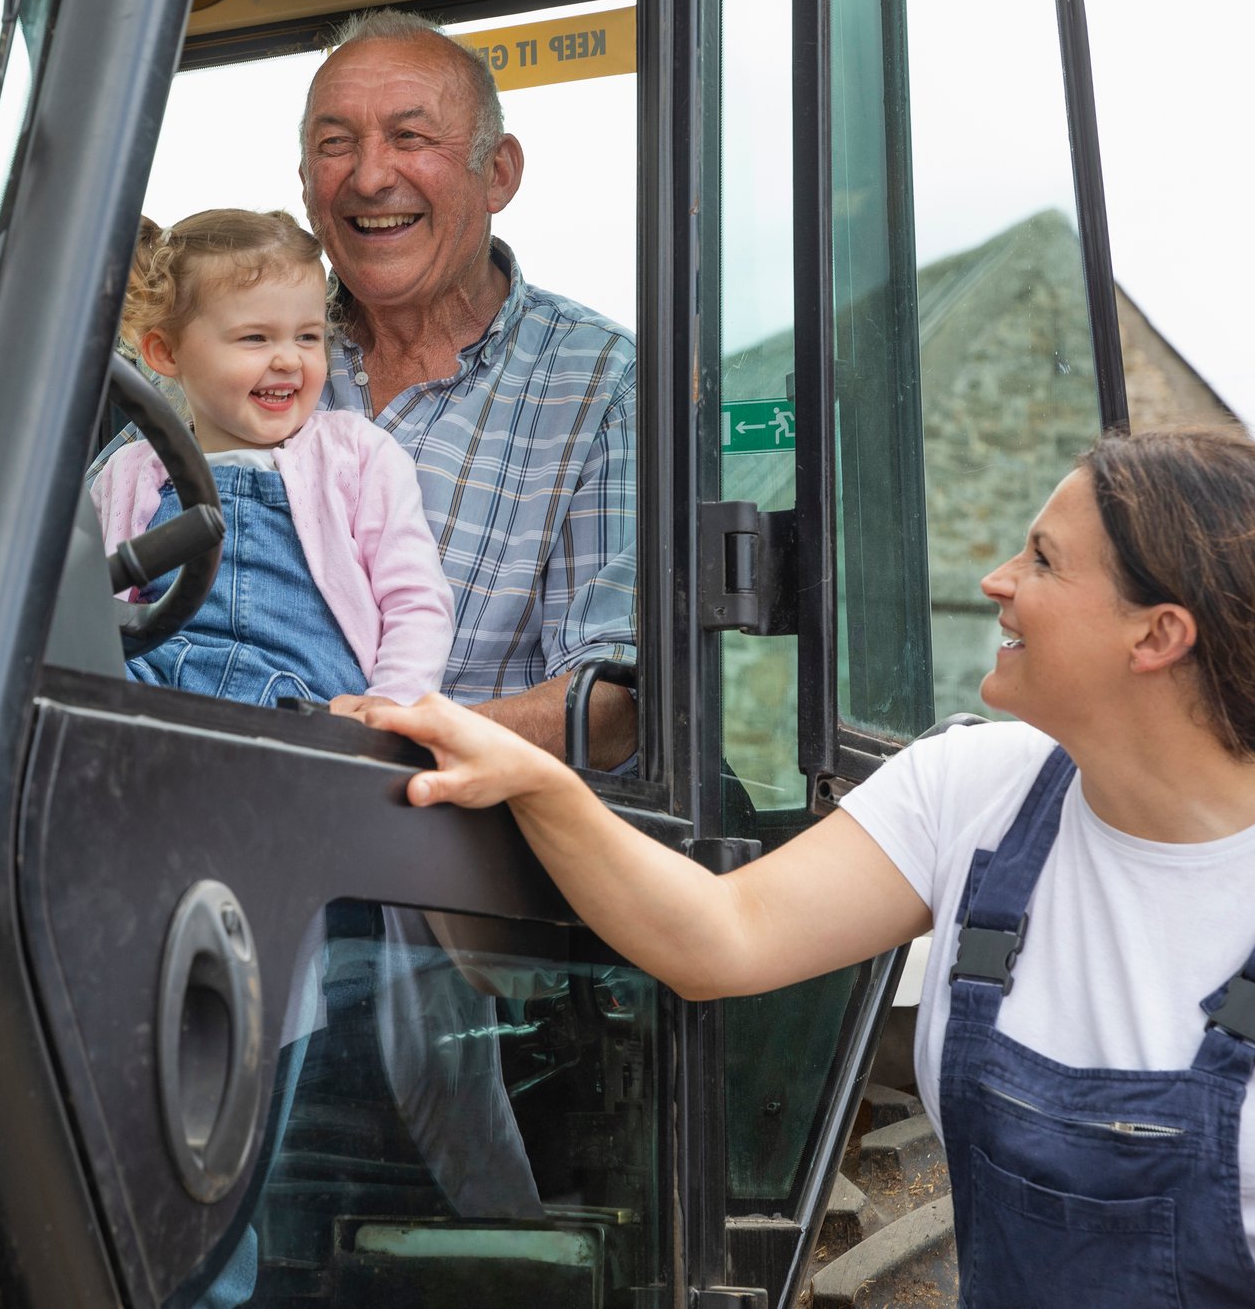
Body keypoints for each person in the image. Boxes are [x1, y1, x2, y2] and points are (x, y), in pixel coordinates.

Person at [363, 427, 1255, 1308]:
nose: (997, 581)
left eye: (1043, 562)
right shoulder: (973, 790)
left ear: (1157, 635)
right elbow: (724, 936)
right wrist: (540, 785)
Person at [96, 7, 638, 753]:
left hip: (446, 832)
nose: (370, 176)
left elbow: (611, 707)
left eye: (409, 138)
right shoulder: (223, 363)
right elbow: (77, 583)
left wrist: (378, 743)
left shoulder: (599, 382)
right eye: (334, 146)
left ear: (498, 173)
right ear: (305, 182)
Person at [93, 209, 454, 705]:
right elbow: (82, 591)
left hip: (305, 700)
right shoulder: (131, 472)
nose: (288, 359)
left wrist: (391, 702)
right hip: (154, 681)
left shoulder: (356, 454)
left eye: (308, 336)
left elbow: (415, 599)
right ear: (166, 353)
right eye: (255, 338)